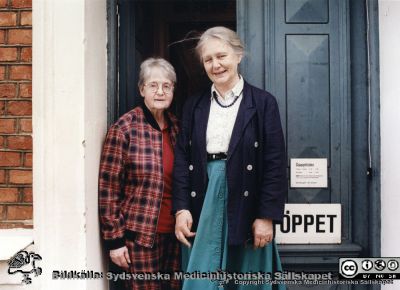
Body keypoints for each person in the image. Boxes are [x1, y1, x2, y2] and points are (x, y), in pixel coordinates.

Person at [173, 26, 287, 289]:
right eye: (208, 59)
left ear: (238, 55)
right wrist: (181, 209)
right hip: (204, 197)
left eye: (221, 56)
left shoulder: (263, 103)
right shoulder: (193, 105)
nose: (216, 64)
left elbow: (274, 164)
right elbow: (182, 159)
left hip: (247, 200)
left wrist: (266, 216)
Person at [99, 57, 180, 290]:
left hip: (175, 236)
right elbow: (108, 189)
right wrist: (114, 241)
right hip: (139, 239)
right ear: (142, 89)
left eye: (167, 86)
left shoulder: (177, 128)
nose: (160, 91)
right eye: (153, 85)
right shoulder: (125, 128)